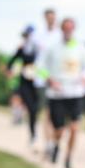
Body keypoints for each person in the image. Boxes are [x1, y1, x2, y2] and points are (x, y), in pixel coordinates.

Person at [36, 17, 85, 168]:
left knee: (74, 128)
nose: (68, 31)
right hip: (57, 94)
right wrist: (49, 79)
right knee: (59, 129)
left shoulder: (81, 48)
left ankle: (68, 159)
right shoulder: (52, 48)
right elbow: (40, 67)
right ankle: (56, 145)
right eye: (66, 28)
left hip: (76, 93)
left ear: (74, 29)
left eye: (71, 28)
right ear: (62, 29)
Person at [5, 25, 42, 149]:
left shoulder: (40, 49)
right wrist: (9, 70)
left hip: (38, 82)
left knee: (36, 109)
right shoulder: (22, 49)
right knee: (31, 108)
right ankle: (33, 134)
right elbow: (11, 61)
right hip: (25, 82)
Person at [33, 8, 60, 160]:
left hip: (60, 80)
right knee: (48, 112)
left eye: (53, 17)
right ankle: (49, 144)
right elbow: (37, 61)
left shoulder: (60, 35)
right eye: (48, 17)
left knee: (58, 115)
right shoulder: (38, 36)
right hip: (43, 79)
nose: (51, 19)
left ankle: (55, 141)